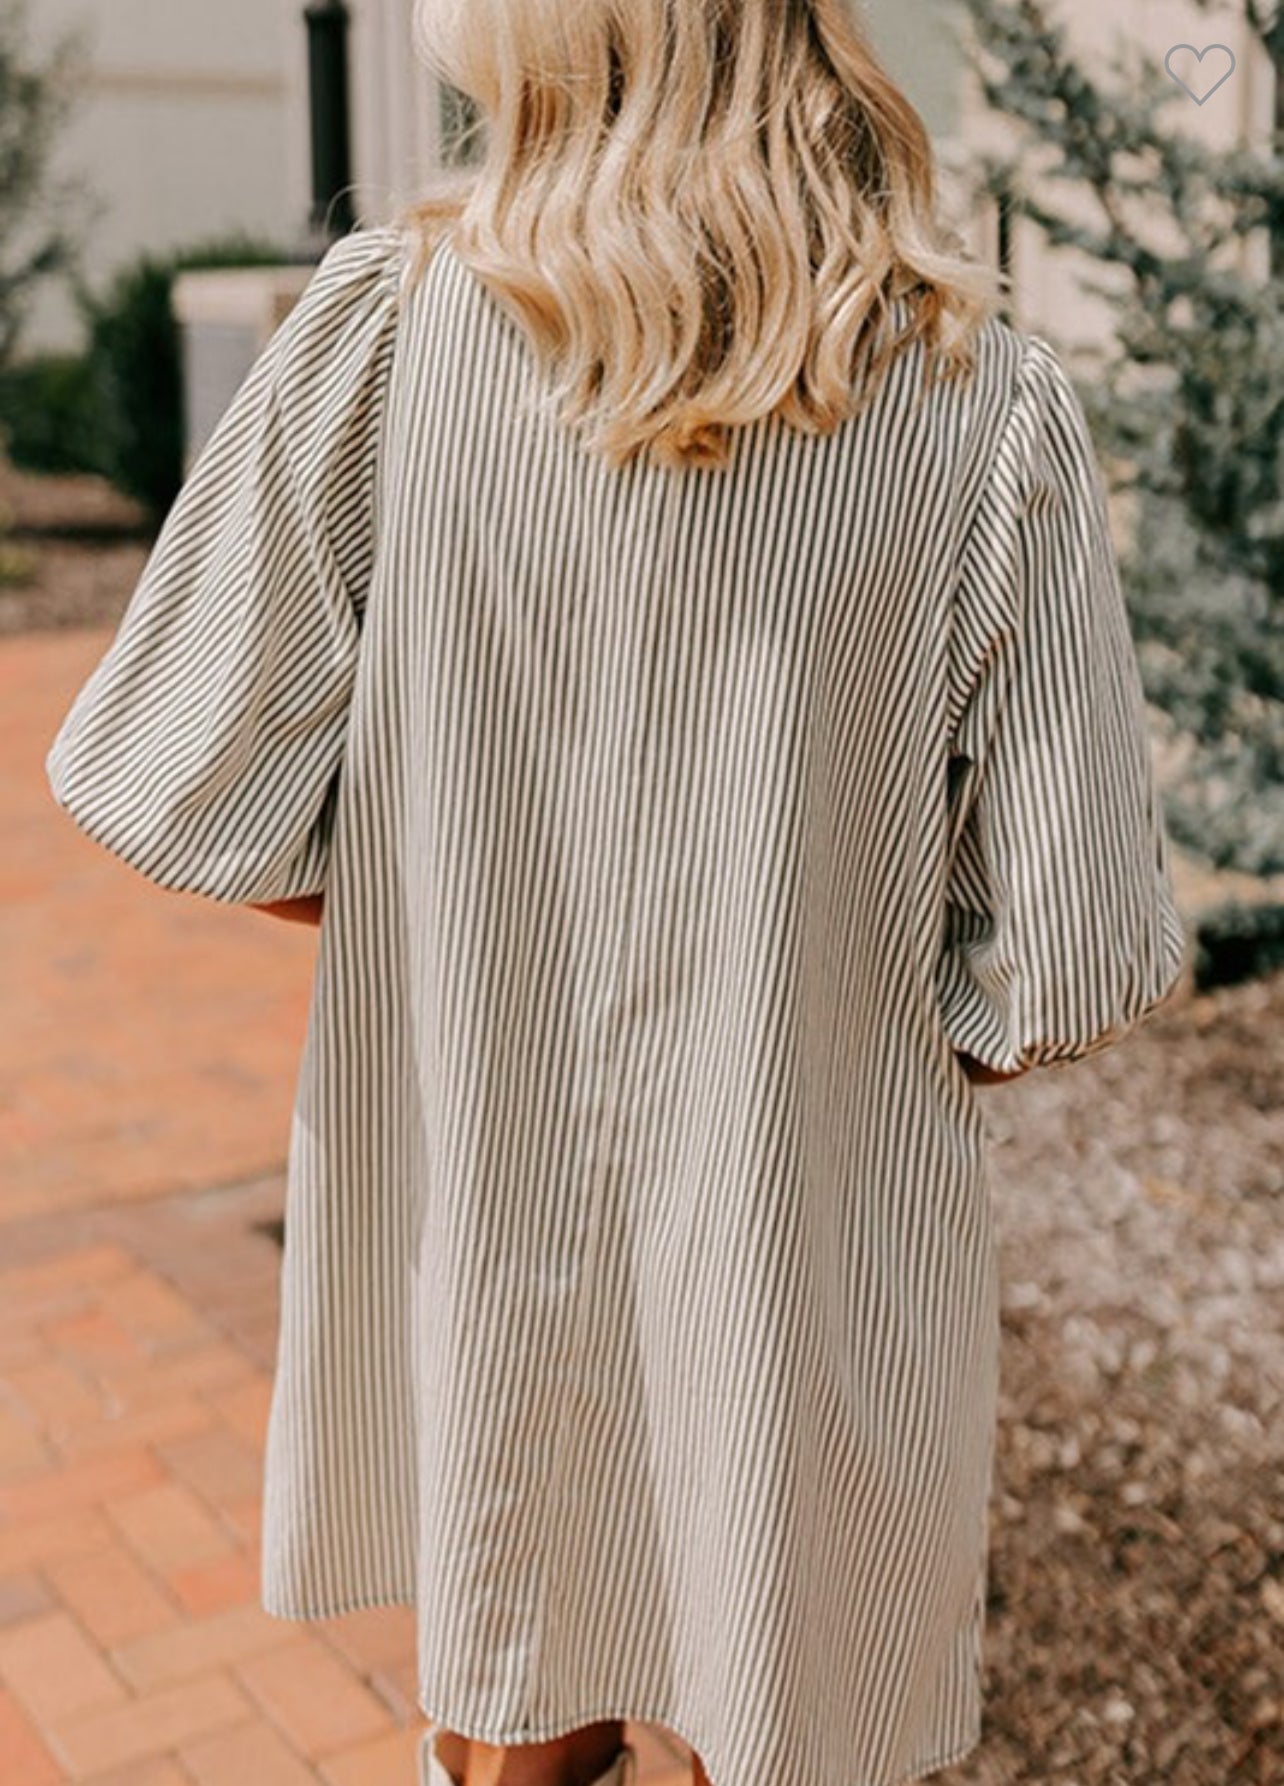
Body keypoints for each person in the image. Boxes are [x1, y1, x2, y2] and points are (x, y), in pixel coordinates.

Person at [44, 2, 1188, 1785]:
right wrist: (810, 1005)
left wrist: (484, 926)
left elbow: (189, 780)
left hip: (488, 1229)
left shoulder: (380, 342)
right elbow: (1066, 956)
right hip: (818, 1268)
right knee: (797, 1715)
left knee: (514, 1734)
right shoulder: (984, 405)